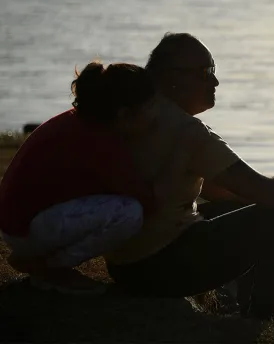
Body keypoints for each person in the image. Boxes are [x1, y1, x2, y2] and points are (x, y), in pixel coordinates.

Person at [105, 32, 274, 321]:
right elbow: (265, 192)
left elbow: (220, 189)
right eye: (206, 73)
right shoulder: (188, 132)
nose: (215, 81)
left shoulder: (133, 114)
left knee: (252, 207)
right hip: (160, 270)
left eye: (213, 71)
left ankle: (232, 306)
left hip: (122, 265)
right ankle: (257, 322)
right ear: (171, 78)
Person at [0, 62, 157, 294]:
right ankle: (49, 269)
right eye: (150, 108)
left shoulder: (81, 122)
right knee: (129, 213)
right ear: (124, 114)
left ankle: (41, 262)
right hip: (26, 229)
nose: (155, 116)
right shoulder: (100, 140)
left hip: (19, 224)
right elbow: (143, 200)